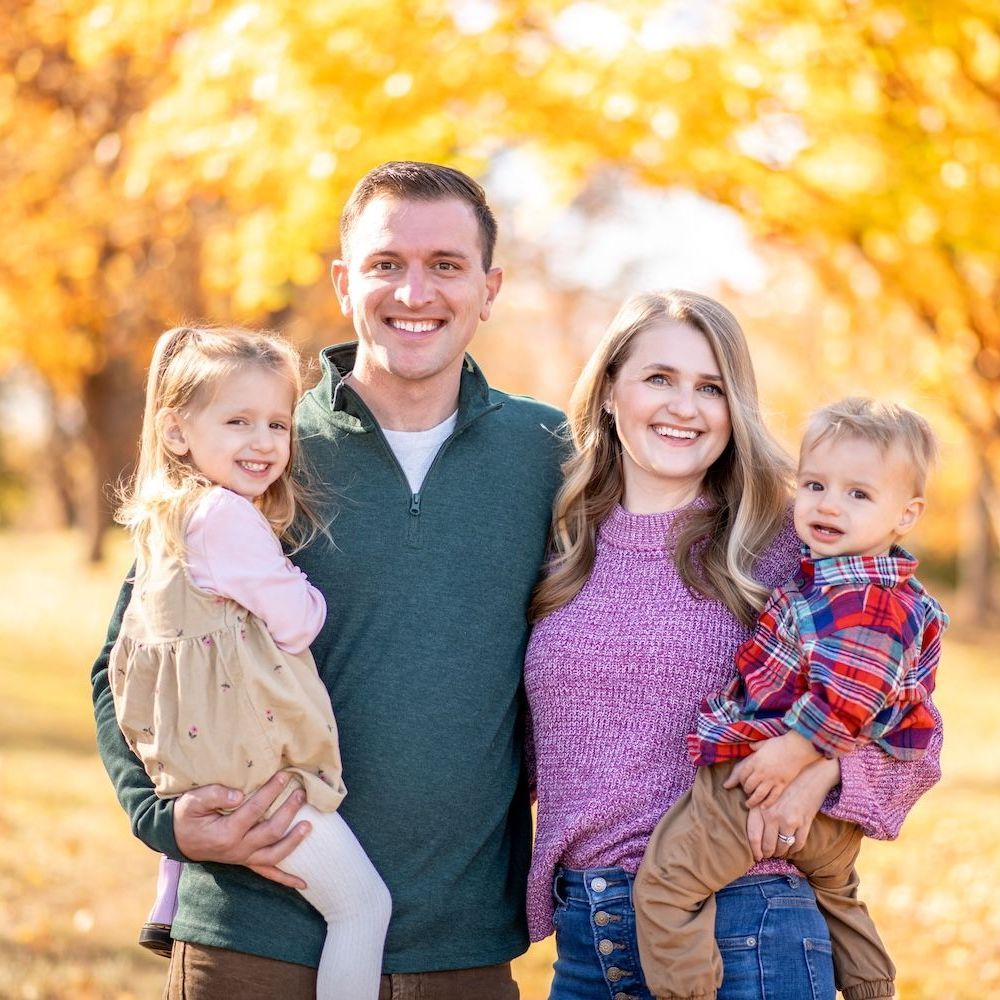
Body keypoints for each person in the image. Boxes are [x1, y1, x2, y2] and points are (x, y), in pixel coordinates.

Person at [91, 162, 566, 999]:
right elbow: (125, 661)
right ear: (346, 282)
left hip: (460, 941)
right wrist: (163, 818)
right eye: (386, 263)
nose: (413, 291)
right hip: (253, 926)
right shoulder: (253, 441)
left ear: (488, 288)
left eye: (446, 265)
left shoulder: (547, 452)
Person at [524, 291, 943, 1000]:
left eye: (711, 388)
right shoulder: (560, 543)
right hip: (587, 940)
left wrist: (821, 775)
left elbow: (912, 735)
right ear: (608, 393)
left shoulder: (789, 541)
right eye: (659, 378)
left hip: (745, 926)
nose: (684, 407)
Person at [108, 324, 392, 999]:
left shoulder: (165, 521)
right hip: (258, 775)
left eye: (276, 423)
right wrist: (309, 588)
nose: (264, 442)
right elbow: (296, 623)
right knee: (361, 907)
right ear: (177, 432)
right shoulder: (227, 518)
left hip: (198, 761)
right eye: (238, 421)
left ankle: (169, 895)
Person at [634, 397, 948, 1000]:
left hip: (761, 783)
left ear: (906, 514)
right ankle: (870, 985)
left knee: (667, 885)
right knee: (837, 893)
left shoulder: (867, 600)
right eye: (814, 484)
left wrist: (796, 752)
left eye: (859, 494)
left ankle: (686, 992)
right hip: (829, 821)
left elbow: (852, 694)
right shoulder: (826, 578)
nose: (829, 504)